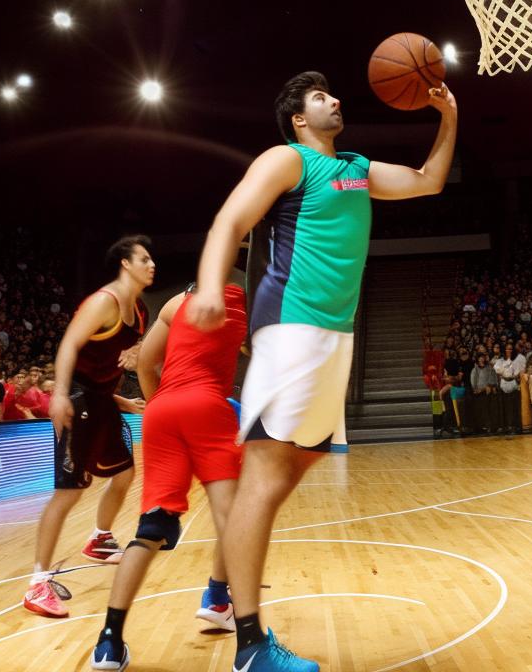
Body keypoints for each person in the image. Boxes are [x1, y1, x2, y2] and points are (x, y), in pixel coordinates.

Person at [187, 70, 457, 672]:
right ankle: (251, 644)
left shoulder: (357, 168)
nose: (334, 99)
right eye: (319, 96)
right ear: (299, 119)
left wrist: (448, 115)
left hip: (335, 336)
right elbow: (229, 222)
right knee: (264, 475)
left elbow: (428, 180)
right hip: (292, 326)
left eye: (331, 92)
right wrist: (209, 285)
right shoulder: (287, 159)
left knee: (288, 470)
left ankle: (219, 589)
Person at [90, 275, 248, 671]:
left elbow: (146, 363)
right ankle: (221, 604)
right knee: (233, 518)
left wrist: (161, 400)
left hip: (161, 411)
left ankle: (109, 643)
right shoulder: (247, 300)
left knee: (152, 528)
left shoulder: (175, 304)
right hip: (209, 405)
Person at [23, 235, 154, 618]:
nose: (152, 265)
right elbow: (69, 346)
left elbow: (107, 365)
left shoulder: (140, 312)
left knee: (125, 474)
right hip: (77, 399)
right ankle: (37, 583)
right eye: (144, 259)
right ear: (125, 264)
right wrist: (60, 394)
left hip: (100, 400)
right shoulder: (104, 302)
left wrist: (121, 400)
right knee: (68, 493)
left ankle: (99, 538)